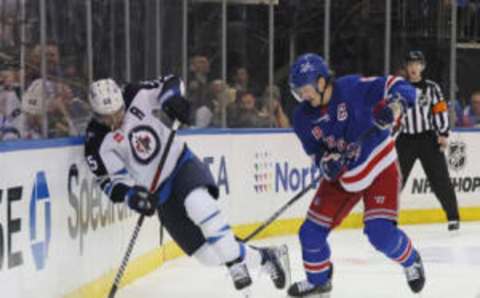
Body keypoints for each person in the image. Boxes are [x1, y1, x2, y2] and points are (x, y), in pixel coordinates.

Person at [83, 76, 288, 295]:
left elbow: (172, 82)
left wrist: (172, 100)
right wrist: (132, 196)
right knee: (207, 256)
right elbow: (110, 182)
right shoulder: (96, 141)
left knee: (198, 205)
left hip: (180, 164)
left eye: (118, 112)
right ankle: (265, 257)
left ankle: (235, 264)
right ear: (96, 115)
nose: (115, 120)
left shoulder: (133, 94)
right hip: (159, 194)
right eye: (107, 118)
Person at [286, 53, 425, 297]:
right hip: (344, 176)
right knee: (310, 233)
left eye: (306, 89)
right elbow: (317, 154)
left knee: (380, 234)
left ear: (321, 82)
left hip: (379, 165)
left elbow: (398, 85)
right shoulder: (302, 118)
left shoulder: (351, 88)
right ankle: (319, 282)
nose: (303, 96)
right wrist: (325, 164)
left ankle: (411, 260)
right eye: (298, 91)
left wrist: (394, 106)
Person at [396, 50, 460, 231]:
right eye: (410, 64)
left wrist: (443, 133)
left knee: (440, 179)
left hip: (428, 139)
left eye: (417, 64)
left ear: (422, 66)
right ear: (406, 68)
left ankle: (453, 217)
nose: (413, 67)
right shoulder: (399, 87)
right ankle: (387, 218)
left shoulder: (432, 88)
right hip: (405, 139)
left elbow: (440, 110)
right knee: (395, 180)